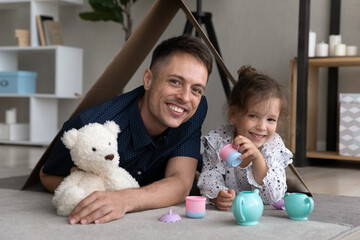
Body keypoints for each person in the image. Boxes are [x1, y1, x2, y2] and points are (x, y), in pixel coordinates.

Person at [39, 34, 213, 224]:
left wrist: (124, 199)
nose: (186, 97)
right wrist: (89, 187)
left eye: (196, 89)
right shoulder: (91, 126)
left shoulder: (195, 109)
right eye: (175, 82)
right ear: (148, 79)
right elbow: (46, 175)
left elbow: (180, 183)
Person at [197, 65, 293, 211]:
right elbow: (209, 178)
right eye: (253, 116)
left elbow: (273, 196)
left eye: (271, 120)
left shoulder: (273, 145)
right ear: (233, 115)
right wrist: (218, 195)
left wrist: (257, 158)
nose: (262, 127)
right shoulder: (219, 140)